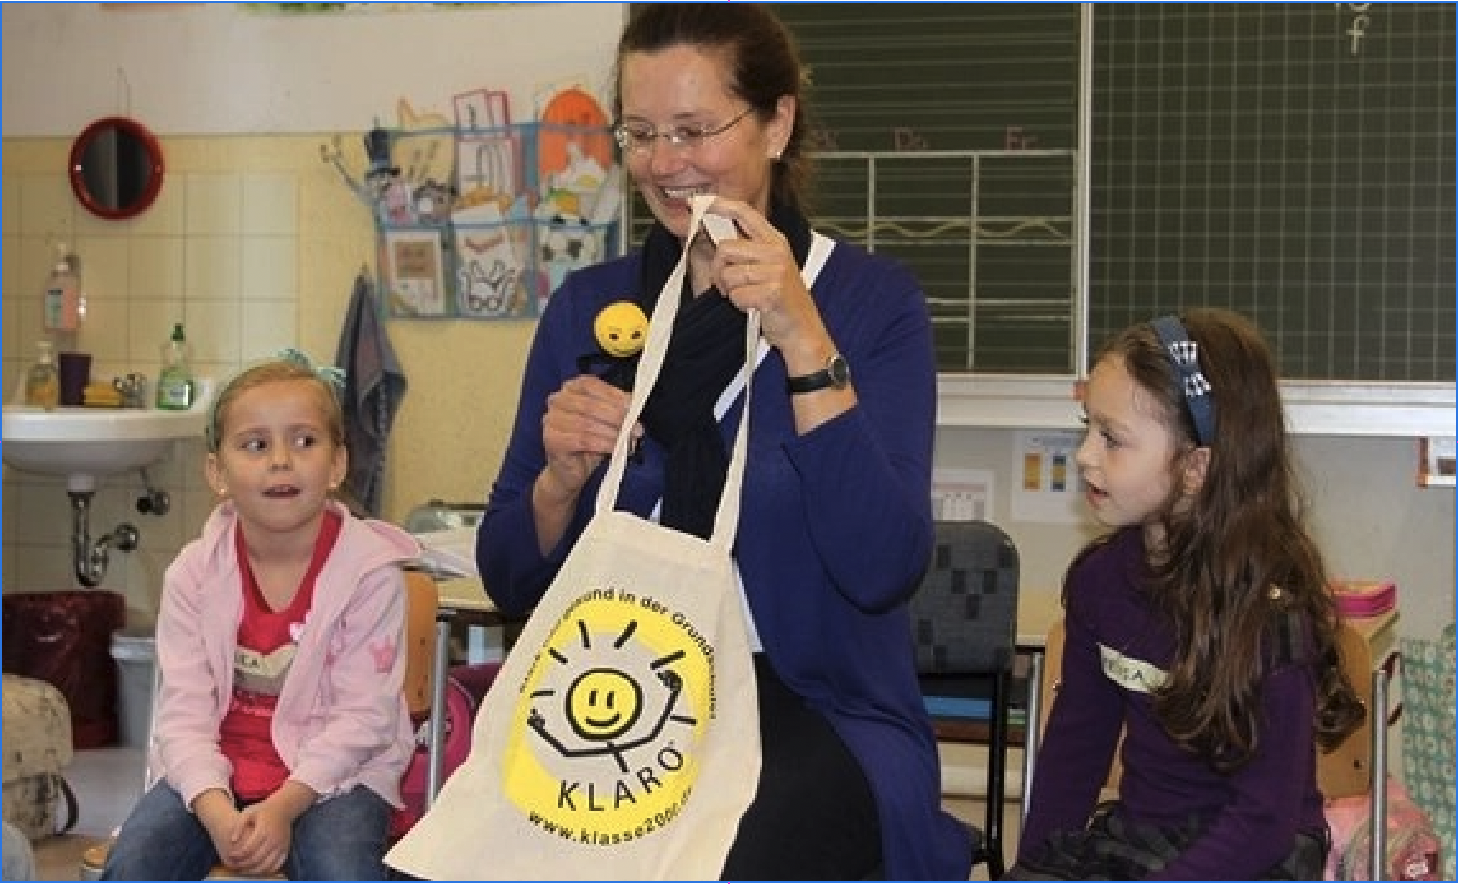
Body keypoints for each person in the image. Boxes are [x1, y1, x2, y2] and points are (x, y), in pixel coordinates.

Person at [475, 4, 970, 880]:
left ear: (777, 123)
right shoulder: (591, 310)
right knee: (466, 852)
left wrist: (805, 342)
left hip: (812, 704)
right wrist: (559, 481)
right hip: (619, 691)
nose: (665, 163)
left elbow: (882, 567)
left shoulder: (870, 306)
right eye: (640, 132)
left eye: (697, 129)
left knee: (725, 859)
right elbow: (510, 575)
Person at [1012, 309, 1365, 880]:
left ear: (1197, 468)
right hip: (1141, 845)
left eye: (1112, 438)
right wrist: (1032, 870)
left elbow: (1264, 820)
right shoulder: (1099, 584)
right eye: (1087, 426)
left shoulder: (1270, 615)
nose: (1084, 454)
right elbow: (1076, 752)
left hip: (1252, 857)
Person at [102, 353, 419, 881]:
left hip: (334, 776)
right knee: (132, 865)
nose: (280, 461)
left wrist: (282, 808)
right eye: (255, 445)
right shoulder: (193, 575)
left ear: (338, 465)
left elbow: (363, 720)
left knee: (341, 871)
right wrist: (216, 811)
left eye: (304, 442)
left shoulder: (369, 574)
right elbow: (183, 718)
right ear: (217, 473)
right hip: (215, 776)